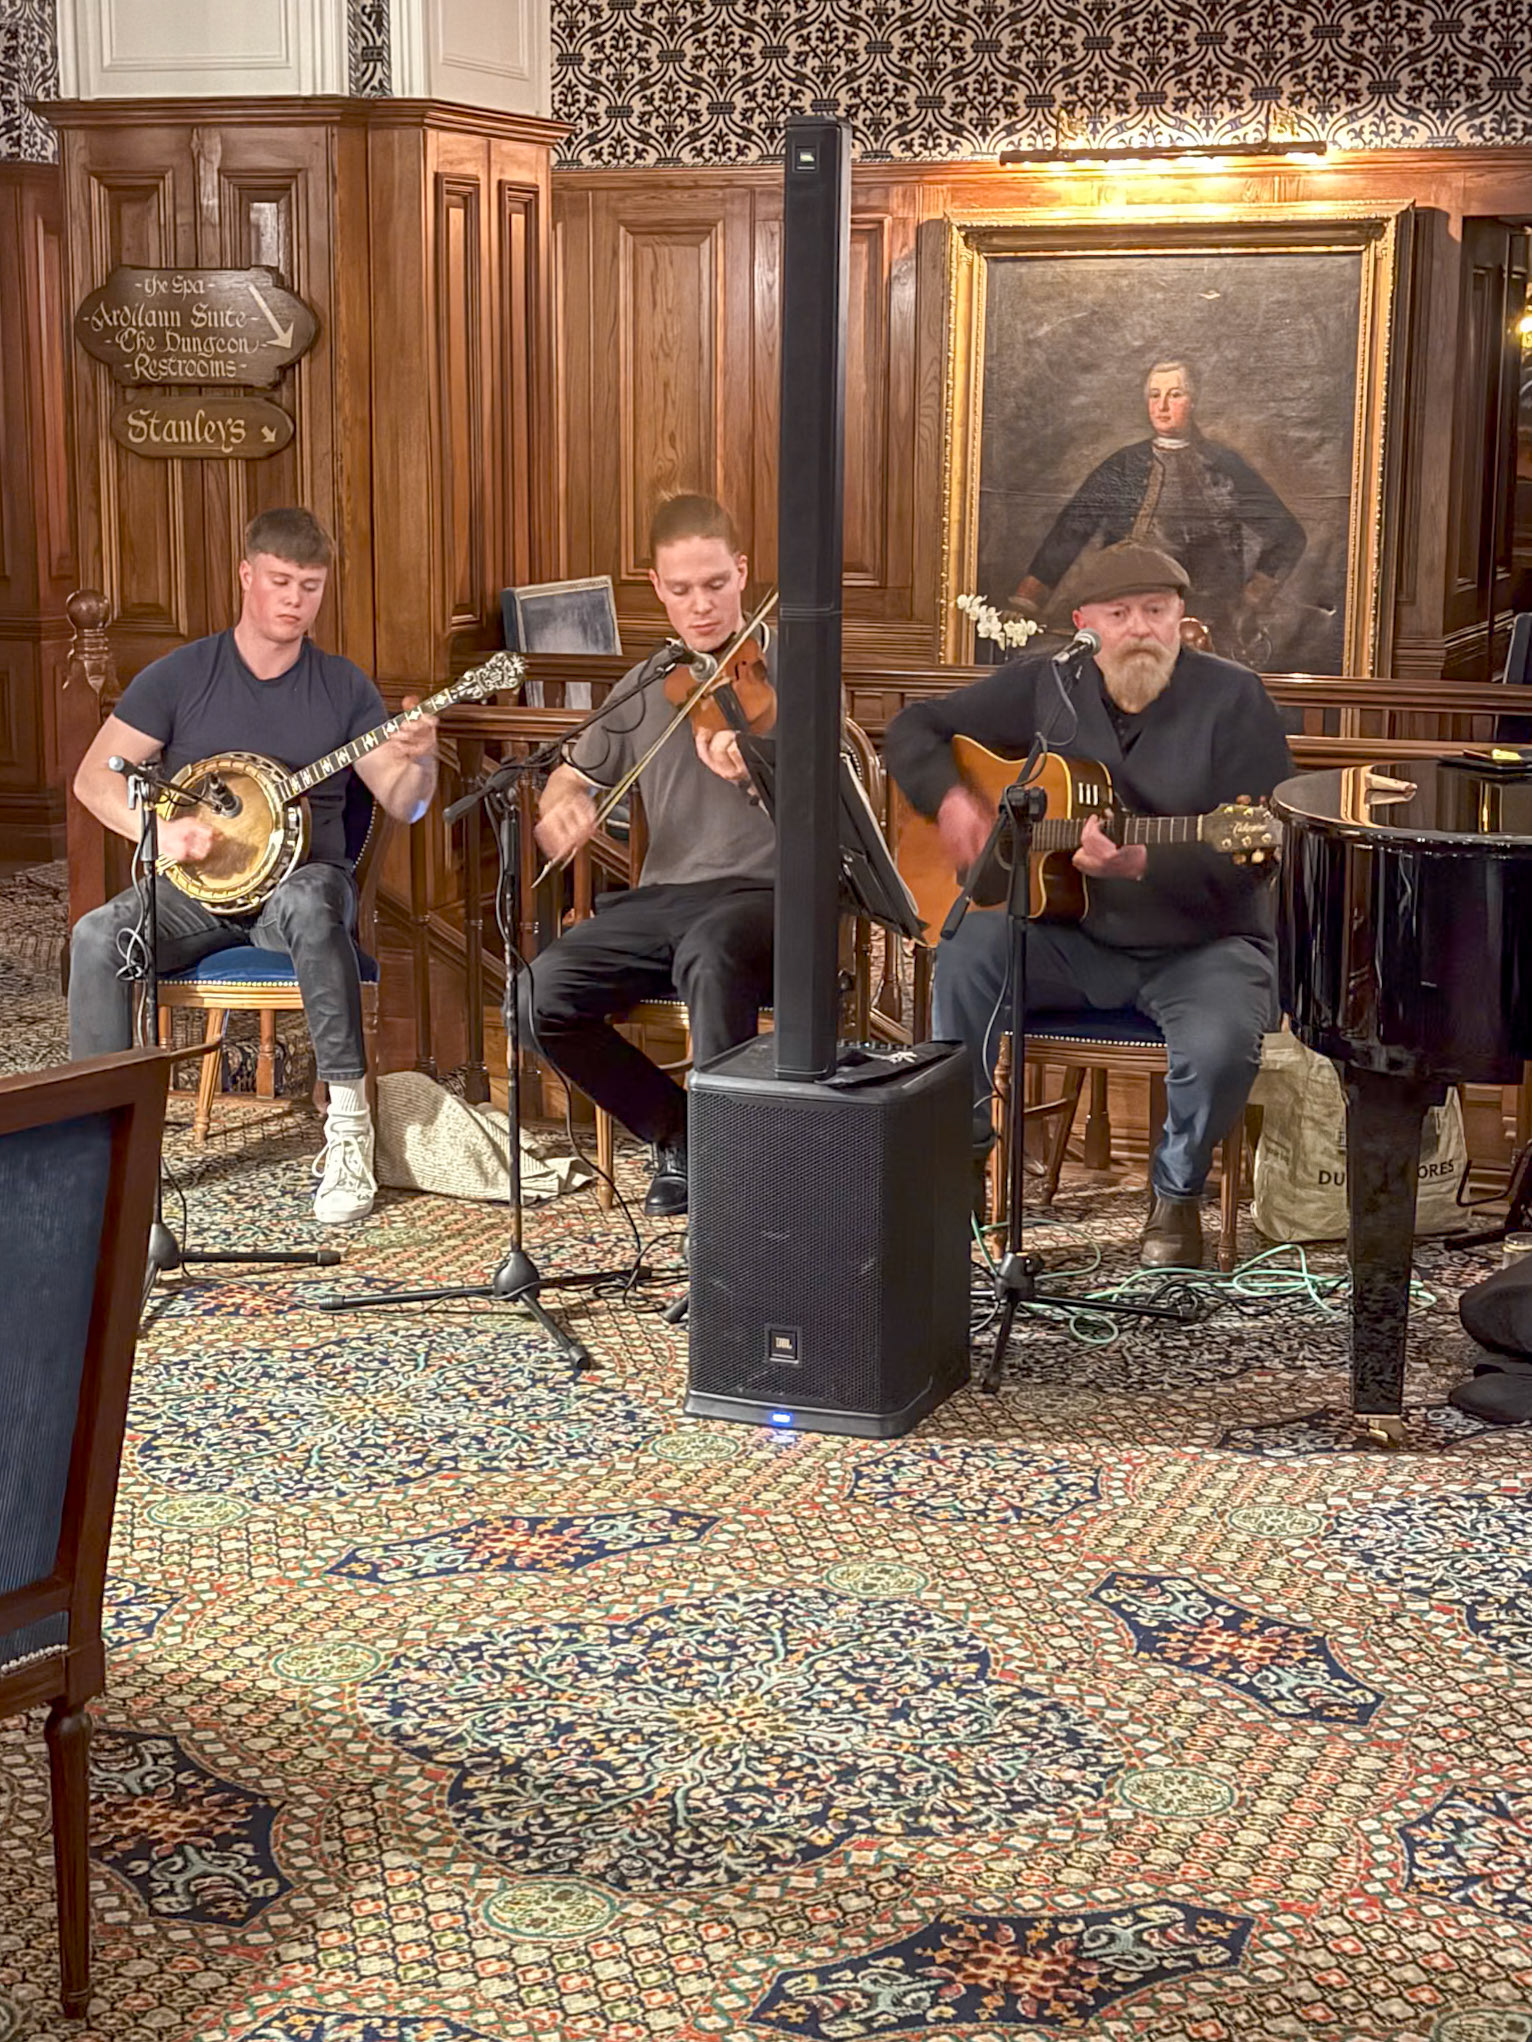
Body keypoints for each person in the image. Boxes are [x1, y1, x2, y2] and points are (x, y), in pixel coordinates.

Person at [886, 541, 1294, 1269]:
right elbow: (915, 727)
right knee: (969, 953)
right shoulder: (1052, 686)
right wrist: (953, 803)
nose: (1139, 627)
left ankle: (1174, 1202)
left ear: (1181, 619)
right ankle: (963, 1165)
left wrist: (1142, 863)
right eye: (1120, 613)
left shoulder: (1235, 699)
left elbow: (1253, 864)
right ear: (1085, 624)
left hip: (1203, 947)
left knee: (1220, 1043)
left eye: (1156, 612)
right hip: (1074, 942)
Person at [68, 507, 439, 1225]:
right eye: (280, 582)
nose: (295, 600)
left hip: (301, 891)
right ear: (246, 576)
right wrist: (157, 831)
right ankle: (99, 1143)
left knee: (310, 904)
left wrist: (419, 762)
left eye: (311, 586)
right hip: (196, 894)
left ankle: (349, 1130)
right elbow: (92, 780)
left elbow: (405, 801)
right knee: (94, 937)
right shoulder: (182, 676)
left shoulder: (342, 687)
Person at [521, 493, 774, 1219]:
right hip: (666, 898)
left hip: (768, 896)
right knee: (535, 998)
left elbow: (836, 788)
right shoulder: (645, 685)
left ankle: (738, 1183)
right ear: (658, 588)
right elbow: (574, 769)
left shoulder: (793, 671)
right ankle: (680, 1131)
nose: (702, 606)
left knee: (713, 951)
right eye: (684, 590)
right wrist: (562, 801)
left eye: (717, 585)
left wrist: (759, 768)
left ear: (742, 573)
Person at [1009, 358, 1306, 661]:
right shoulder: (1124, 465)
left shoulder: (1225, 466)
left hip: (1210, 632)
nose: (1162, 405)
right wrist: (1026, 600)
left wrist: (1247, 602)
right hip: (1127, 627)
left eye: (1175, 394)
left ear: (1194, 401)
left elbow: (1288, 535)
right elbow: (1070, 531)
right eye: (1154, 395)